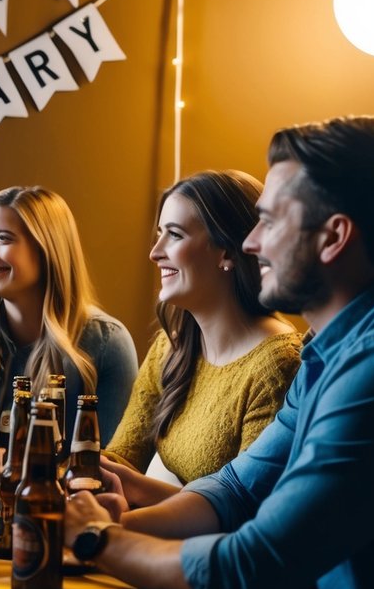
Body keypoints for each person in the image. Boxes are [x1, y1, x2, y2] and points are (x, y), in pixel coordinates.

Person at [66, 116, 374, 589]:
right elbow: (234, 489)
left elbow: (255, 567)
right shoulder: (332, 349)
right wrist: (99, 525)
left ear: (334, 237)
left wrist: (97, 542)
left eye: (269, 220)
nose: (253, 243)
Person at [101, 171, 301, 506]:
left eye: (175, 235)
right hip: (165, 529)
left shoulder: (277, 365)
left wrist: (131, 487)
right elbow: (122, 457)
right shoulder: (172, 347)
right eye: (159, 234)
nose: (155, 253)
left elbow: (245, 508)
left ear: (227, 252)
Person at [0, 186, 137, 477]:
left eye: (3, 239)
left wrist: (21, 472)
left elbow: (109, 474)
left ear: (47, 249)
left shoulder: (107, 343)